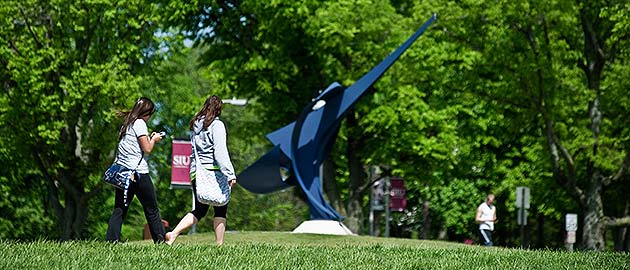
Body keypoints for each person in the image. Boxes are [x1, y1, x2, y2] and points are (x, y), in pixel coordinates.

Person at [166, 95, 237, 246]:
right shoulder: (217, 125)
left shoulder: (195, 126)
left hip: (196, 172)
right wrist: (230, 174)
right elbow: (220, 152)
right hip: (213, 172)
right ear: (218, 109)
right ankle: (219, 245)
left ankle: (173, 234)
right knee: (221, 208)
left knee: (199, 209)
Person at [106, 97, 166, 243]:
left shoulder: (127, 123)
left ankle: (112, 240)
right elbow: (147, 149)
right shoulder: (140, 123)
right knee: (151, 209)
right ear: (147, 113)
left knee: (119, 208)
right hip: (138, 173)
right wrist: (155, 139)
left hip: (123, 172)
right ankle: (160, 241)